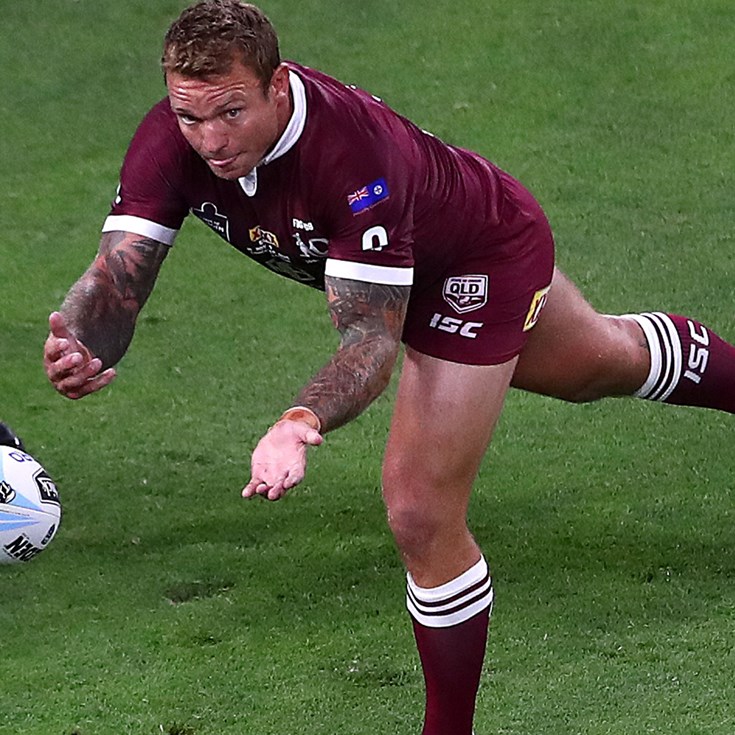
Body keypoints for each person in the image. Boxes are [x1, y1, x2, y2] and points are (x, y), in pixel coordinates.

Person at [42, 1, 735, 732]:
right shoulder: (170, 138)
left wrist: (299, 419)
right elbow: (117, 278)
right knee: (600, 363)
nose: (210, 140)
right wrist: (83, 339)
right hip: (410, 267)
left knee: (418, 509)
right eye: (190, 116)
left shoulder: (352, 155)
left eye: (231, 113)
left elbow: (371, 340)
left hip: (477, 260)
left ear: (278, 86)